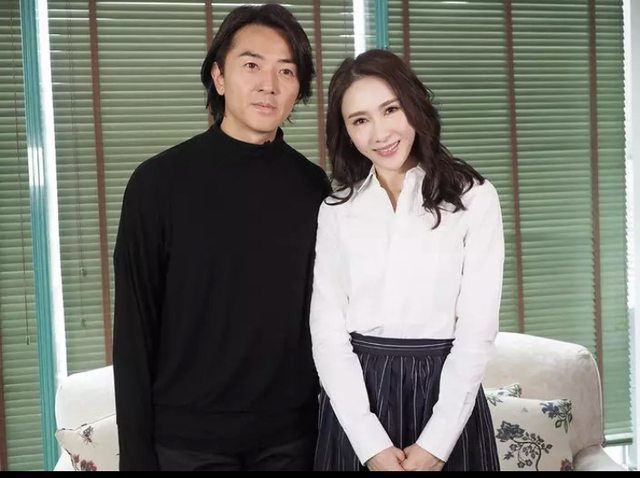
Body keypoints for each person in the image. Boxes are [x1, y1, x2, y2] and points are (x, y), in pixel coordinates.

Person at [112, 4, 330, 471]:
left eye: (286, 70)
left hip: (291, 440)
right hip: (188, 444)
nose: (269, 85)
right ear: (219, 77)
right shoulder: (157, 184)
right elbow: (133, 331)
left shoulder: (314, 188)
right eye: (252, 65)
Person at [310, 49, 504, 472]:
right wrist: (369, 444)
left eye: (390, 109)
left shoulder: (474, 198)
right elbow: (327, 333)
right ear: (346, 132)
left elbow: (477, 329)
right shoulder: (337, 211)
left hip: (446, 401)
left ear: (414, 105)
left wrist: (436, 444)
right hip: (358, 403)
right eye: (360, 120)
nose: (380, 133)